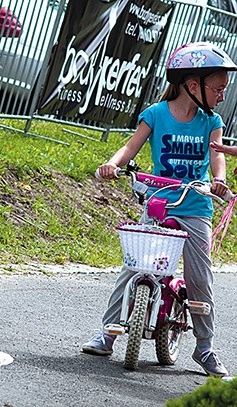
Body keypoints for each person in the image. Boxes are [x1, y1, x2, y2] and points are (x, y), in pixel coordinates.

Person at [82, 41, 236, 377]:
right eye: (218, 88)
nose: (223, 95)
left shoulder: (211, 121)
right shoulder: (155, 114)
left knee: (200, 276)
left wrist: (219, 180)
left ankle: (204, 347)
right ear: (192, 86)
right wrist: (112, 164)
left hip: (196, 206)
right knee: (135, 267)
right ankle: (108, 333)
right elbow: (130, 146)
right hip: (158, 202)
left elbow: (217, 156)